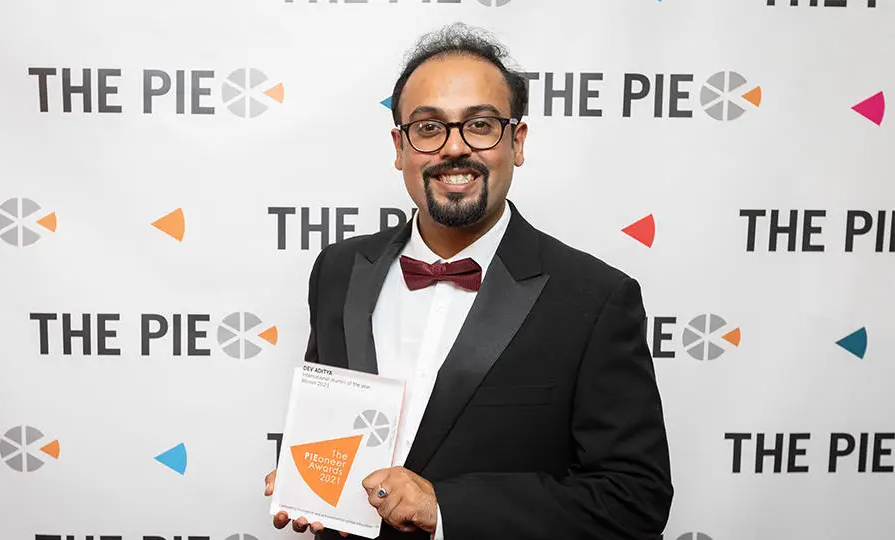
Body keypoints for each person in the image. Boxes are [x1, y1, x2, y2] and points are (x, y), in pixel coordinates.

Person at [264, 23, 673, 540]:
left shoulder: (595, 297)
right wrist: (308, 480)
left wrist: (445, 509)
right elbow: (331, 421)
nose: (454, 148)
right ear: (400, 147)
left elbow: (634, 499)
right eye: (428, 127)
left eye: (480, 125)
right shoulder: (338, 270)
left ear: (517, 142)